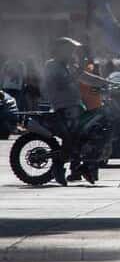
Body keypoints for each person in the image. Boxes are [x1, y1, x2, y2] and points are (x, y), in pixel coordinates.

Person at [42, 37, 87, 181]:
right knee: (70, 139)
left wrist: (107, 82)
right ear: (61, 50)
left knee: (85, 135)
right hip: (63, 107)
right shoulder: (52, 65)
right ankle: (58, 167)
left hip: (76, 106)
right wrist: (78, 73)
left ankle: (77, 170)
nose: (73, 53)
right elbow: (60, 84)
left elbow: (86, 77)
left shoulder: (68, 65)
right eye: (70, 50)